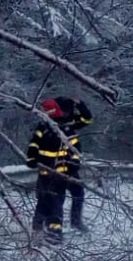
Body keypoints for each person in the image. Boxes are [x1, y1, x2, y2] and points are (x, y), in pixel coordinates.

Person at [25, 98, 83, 243]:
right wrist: (31, 158)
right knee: (46, 201)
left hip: (59, 176)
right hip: (49, 174)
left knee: (54, 203)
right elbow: (34, 145)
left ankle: (53, 232)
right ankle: (41, 229)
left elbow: (75, 151)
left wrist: (73, 166)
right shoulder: (44, 128)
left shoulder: (63, 129)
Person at [52, 96, 94, 231]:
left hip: (71, 166)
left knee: (78, 193)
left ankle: (76, 221)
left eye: (68, 111)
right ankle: (55, 228)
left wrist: (81, 104)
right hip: (56, 167)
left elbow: (87, 119)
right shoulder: (51, 122)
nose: (66, 114)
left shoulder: (71, 121)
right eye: (63, 111)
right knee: (58, 199)